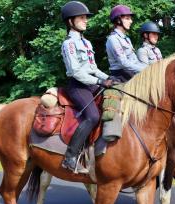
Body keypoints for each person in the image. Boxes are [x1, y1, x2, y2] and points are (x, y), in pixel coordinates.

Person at [60, 1, 114, 173]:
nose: (86, 21)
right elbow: (75, 71)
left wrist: (110, 78)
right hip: (78, 86)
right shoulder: (68, 44)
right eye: (82, 18)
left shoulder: (87, 43)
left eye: (86, 18)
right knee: (92, 116)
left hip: (91, 84)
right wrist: (99, 82)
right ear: (70, 21)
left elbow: (93, 68)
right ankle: (70, 157)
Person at [106, 4, 147, 82]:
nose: (131, 21)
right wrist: (144, 69)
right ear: (118, 20)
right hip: (121, 75)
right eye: (127, 18)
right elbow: (123, 63)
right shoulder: (113, 39)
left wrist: (147, 67)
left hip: (131, 72)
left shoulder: (126, 38)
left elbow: (134, 59)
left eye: (130, 18)